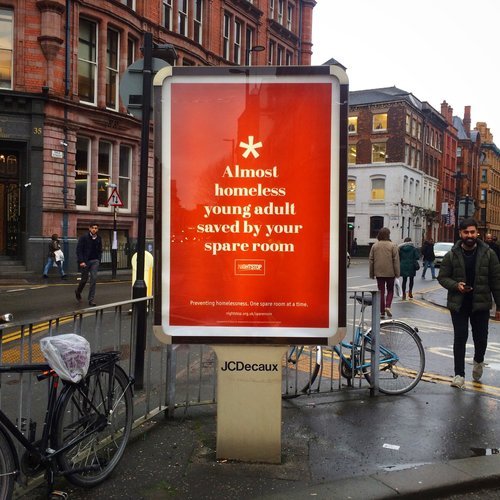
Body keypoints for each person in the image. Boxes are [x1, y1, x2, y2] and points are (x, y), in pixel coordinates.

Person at [438, 218, 500, 389]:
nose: (470, 235)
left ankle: (478, 361)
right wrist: (456, 285)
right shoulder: (452, 254)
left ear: (477, 233)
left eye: (472, 232)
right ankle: (459, 375)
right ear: (460, 234)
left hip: (480, 304)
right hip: (459, 304)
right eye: (466, 232)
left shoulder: (488, 254)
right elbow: (442, 277)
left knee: (481, 339)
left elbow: (496, 281)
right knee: (460, 337)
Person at [369, 227, 400, 319]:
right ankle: (388, 306)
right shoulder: (393, 245)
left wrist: (372, 273)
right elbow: (396, 261)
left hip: (379, 273)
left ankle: (382, 312)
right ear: (388, 235)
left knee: (381, 292)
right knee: (390, 290)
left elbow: (371, 260)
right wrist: (397, 273)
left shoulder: (375, 246)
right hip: (390, 273)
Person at [75, 223, 102, 307]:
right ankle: (78, 291)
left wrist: (98, 259)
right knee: (84, 279)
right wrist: (81, 261)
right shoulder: (84, 237)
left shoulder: (99, 238)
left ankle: (91, 300)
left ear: (97, 229)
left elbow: (100, 250)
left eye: (96, 228)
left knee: (93, 279)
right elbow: (79, 250)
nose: (94, 229)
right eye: (92, 228)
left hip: (95, 261)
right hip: (85, 261)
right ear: (89, 228)